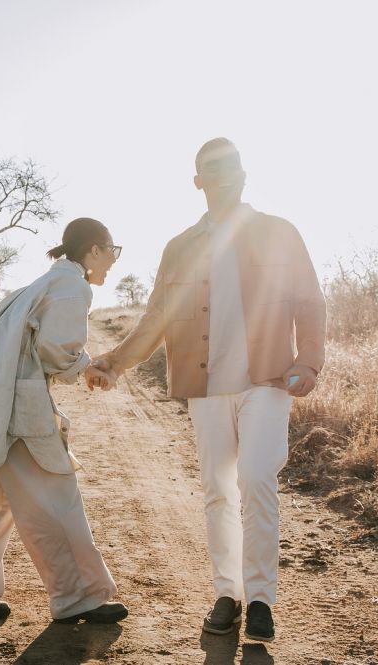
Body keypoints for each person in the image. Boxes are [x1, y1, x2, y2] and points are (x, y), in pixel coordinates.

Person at [90, 138, 326, 642]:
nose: (227, 174)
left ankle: (261, 599)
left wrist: (308, 362)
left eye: (234, 166)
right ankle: (228, 593)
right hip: (206, 387)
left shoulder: (278, 232)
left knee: (257, 480)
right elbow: (157, 318)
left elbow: (309, 302)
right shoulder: (179, 247)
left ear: (244, 173)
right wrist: (115, 362)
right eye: (214, 169)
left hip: (267, 381)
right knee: (217, 492)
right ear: (197, 181)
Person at [0, 217, 128, 626]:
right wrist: (91, 369)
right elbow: (57, 351)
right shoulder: (73, 285)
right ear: (93, 250)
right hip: (13, 408)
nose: (113, 260)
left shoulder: (35, 285)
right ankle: (80, 598)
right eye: (112, 250)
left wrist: (80, 367)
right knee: (55, 500)